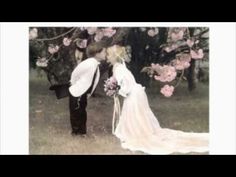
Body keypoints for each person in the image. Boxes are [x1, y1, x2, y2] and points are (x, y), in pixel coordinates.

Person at [106, 45, 209, 154]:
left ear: (113, 56)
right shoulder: (121, 65)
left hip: (133, 94)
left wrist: (118, 90)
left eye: (108, 55)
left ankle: (138, 132)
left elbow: (125, 85)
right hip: (137, 92)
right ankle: (137, 130)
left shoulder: (118, 67)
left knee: (136, 114)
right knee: (137, 114)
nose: (107, 57)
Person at [69, 43, 107, 135]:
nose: (106, 54)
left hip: (84, 92)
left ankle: (82, 132)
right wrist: (75, 86)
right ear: (97, 53)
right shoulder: (89, 63)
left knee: (82, 111)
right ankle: (75, 132)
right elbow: (75, 74)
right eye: (104, 52)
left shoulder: (95, 64)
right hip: (77, 91)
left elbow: (93, 80)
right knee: (76, 111)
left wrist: (89, 92)